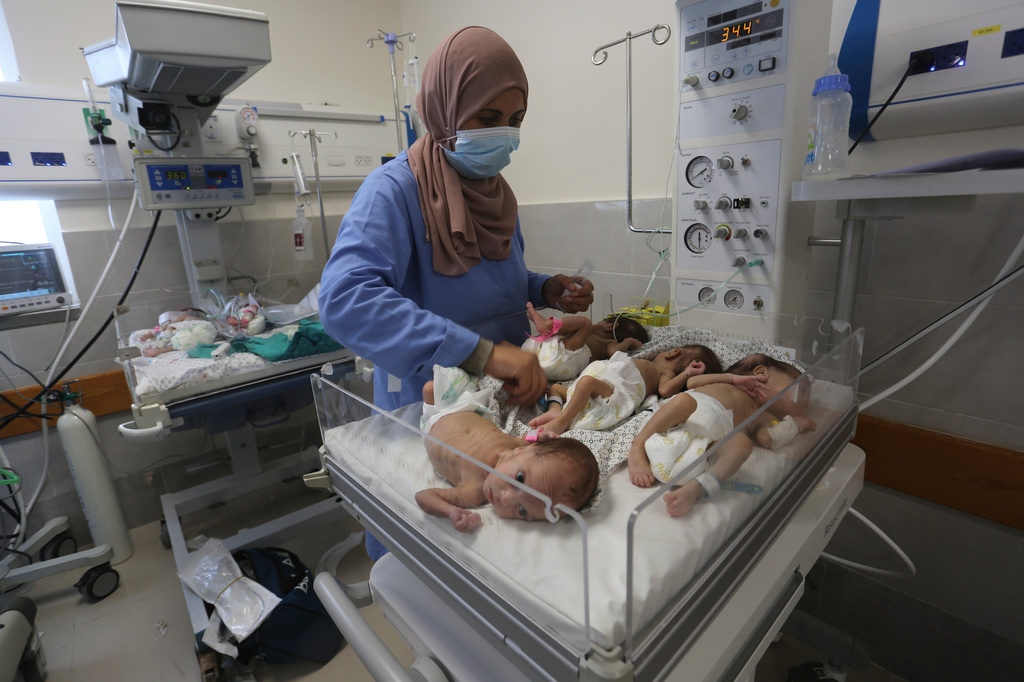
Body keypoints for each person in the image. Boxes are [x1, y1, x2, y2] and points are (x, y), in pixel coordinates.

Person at [317, 27, 594, 559]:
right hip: (431, 405)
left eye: (515, 121)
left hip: (506, 400)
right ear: (445, 111)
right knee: (424, 563)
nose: (504, 135)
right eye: (488, 118)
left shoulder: (495, 196)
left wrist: (545, 288)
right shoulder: (394, 191)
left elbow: (494, 280)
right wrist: (481, 354)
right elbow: (346, 299)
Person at [627, 354, 817, 517]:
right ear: (761, 373)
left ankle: (697, 488)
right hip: (667, 429)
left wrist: (796, 425)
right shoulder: (724, 383)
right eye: (801, 392)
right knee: (684, 401)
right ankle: (637, 447)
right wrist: (731, 379)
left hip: (699, 454)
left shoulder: (762, 416)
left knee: (743, 444)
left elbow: (768, 439)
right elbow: (691, 383)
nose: (806, 403)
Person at [416, 366, 599, 532]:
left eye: (522, 510)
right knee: (461, 376)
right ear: (524, 451)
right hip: (468, 408)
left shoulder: (473, 491)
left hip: (434, 421)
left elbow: (424, 496)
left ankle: (433, 401)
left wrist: (450, 511)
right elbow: (527, 437)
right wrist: (539, 435)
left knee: (430, 389)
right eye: (519, 479)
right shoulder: (517, 447)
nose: (505, 499)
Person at [528, 345, 723, 437]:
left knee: (586, 383)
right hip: (597, 386)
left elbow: (665, 391)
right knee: (556, 388)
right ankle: (555, 410)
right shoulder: (647, 363)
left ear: (673, 353)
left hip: (614, 392)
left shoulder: (665, 372)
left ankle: (561, 421)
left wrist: (687, 373)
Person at [522, 303, 649, 381]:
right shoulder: (581, 335)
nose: (597, 322)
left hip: (563, 360)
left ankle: (547, 324)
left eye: (602, 320)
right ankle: (547, 326)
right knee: (560, 334)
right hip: (543, 357)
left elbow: (614, 352)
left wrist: (628, 341)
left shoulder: (608, 343)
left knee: (585, 322)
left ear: (610, 326)